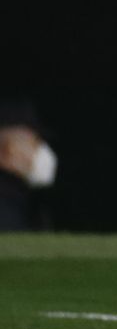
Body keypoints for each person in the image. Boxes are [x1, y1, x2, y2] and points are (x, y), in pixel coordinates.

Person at [0, 97, 56, 232]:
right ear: (7, 149)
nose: (41, 150)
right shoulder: (6, 214)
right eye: (34, 142)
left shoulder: (33, 206)